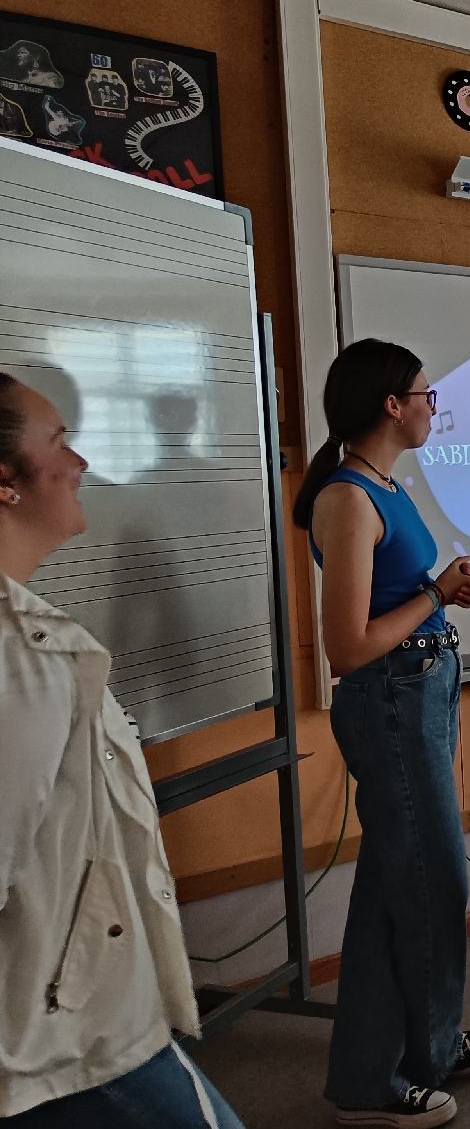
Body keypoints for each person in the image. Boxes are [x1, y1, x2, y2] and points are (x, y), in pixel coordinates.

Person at [0, 373, 246, 1127]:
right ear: (5, 480)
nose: (79, 463)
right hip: (63, 1039)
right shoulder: (20, 665)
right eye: (58, 441)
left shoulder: (34, 636)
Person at [293, 339, 470, 1127]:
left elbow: (395, 597)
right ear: (392, 405)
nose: (431, 408)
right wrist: (436, 596)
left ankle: (420, 1051)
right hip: (390, 701)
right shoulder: (347, 498)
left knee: (400, 884)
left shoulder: (381, 484)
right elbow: (347, 648)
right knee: (429, 886)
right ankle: (381, 1080)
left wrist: (444, 592)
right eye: (426, 395)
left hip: (420, 692)